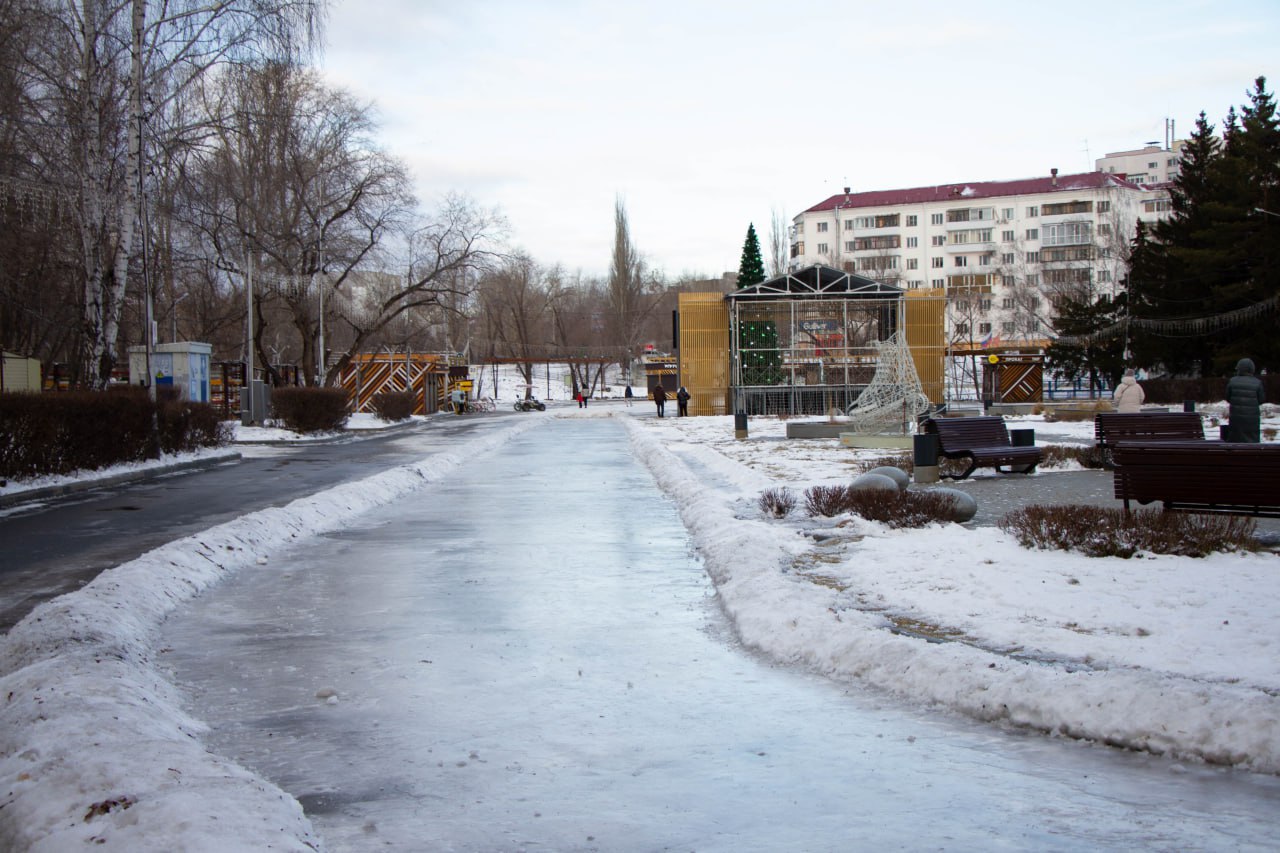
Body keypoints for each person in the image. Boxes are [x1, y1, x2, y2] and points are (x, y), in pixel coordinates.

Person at [1225, 357, 1265, 442]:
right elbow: (1261, 400)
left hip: (1235, 419)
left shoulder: (1232, 381)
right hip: (1252, 419)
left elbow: (1228, 398)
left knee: (1235, 439)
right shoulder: (1258, 382)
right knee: (1252, 440)